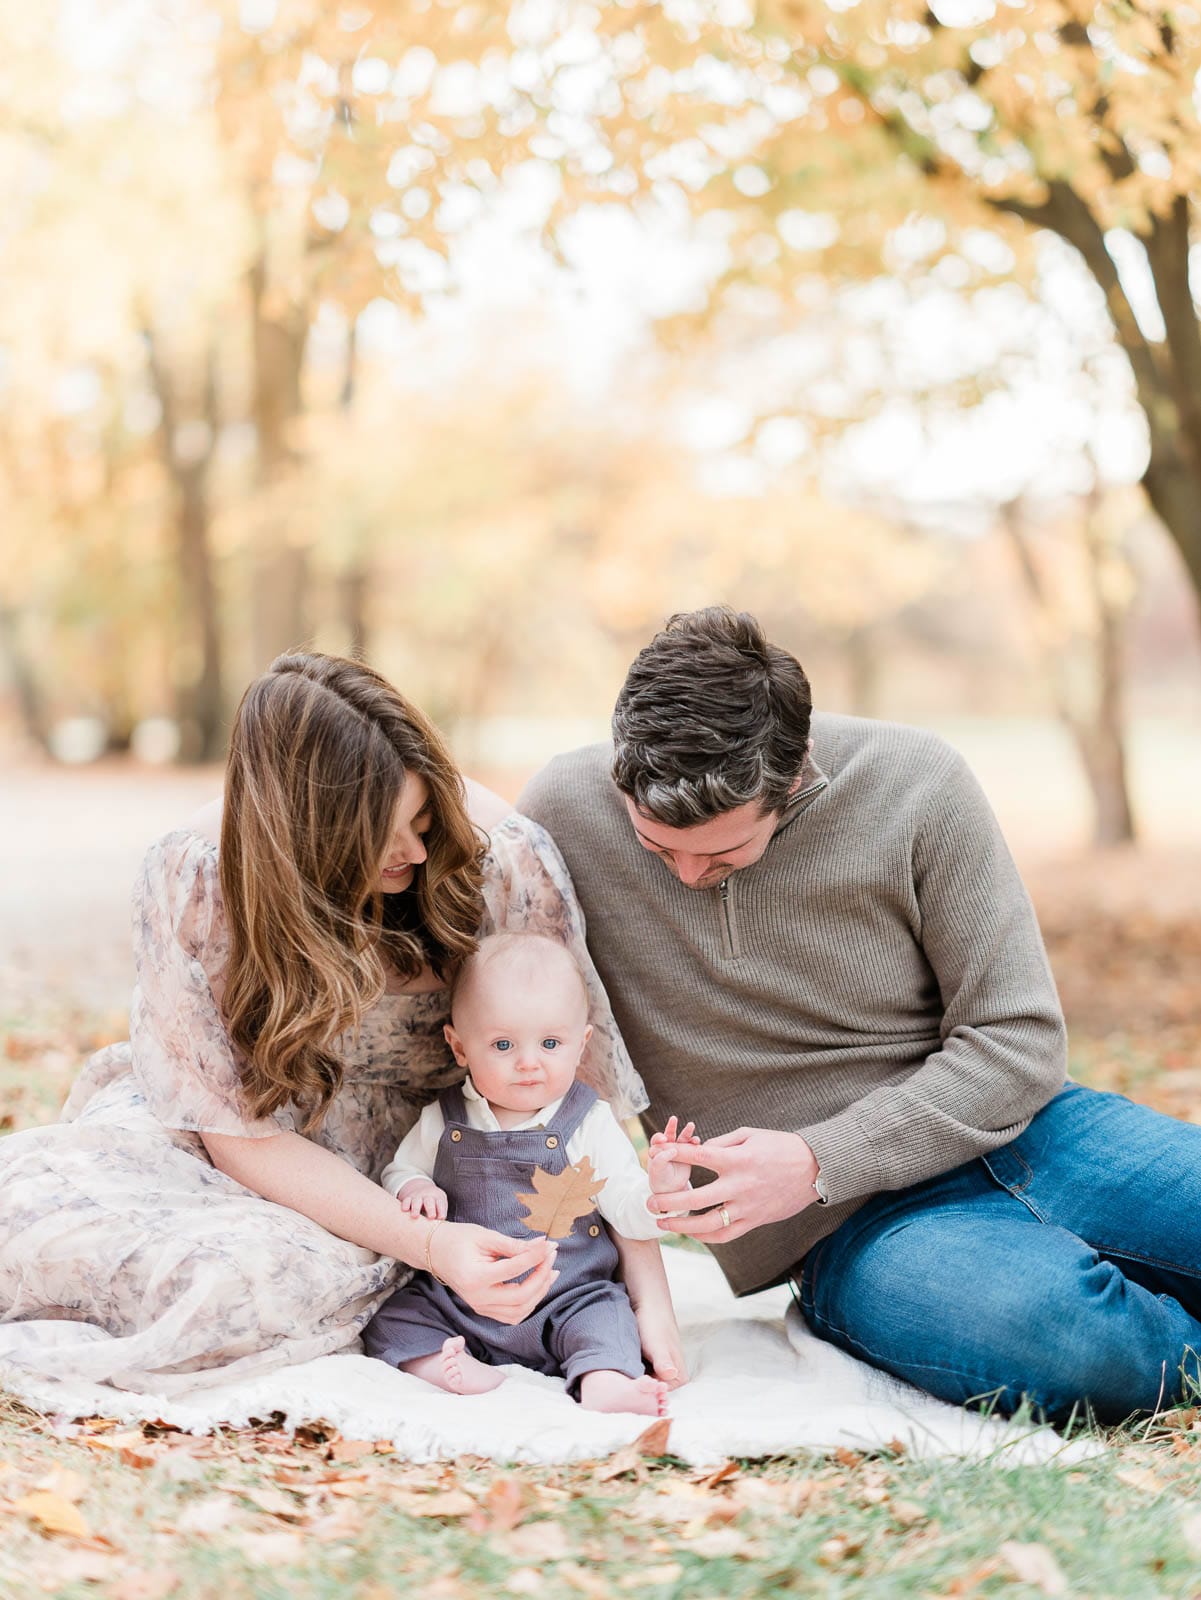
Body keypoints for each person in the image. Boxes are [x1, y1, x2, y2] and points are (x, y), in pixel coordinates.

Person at [518, 606, 1201, 1423]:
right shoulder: (563, 811)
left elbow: (1017, 1040)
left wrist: (816, 1156)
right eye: (659, 849)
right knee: (1078, 1344)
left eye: (723, 852)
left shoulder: (916, 781)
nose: (689, 873)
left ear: (795, 775)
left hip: (1036, 1135)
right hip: (849, 1232)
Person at [0, 653, 683, 1397]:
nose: (417, 853)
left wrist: (649, 1298)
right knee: (34, 1221)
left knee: (234, 1286)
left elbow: (576, 1107)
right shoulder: (194, 875)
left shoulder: (502, 860)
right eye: (382, 837)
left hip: (415, 1163)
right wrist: (428, 1245)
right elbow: (231, 1131)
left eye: (424, 820)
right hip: (237, 1143)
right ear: (300, 831)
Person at [364, 932, 691, 1416]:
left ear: (581, 1045)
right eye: (502, 1044)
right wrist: (414, 1185)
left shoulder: (590, 1122)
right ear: (458, 1046)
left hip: (569, 1297)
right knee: (390, 1318)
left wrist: (659, 1194)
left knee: (609, 1320)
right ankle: (440, 1362)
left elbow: (626, 1210)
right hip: (463, 1301)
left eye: (550, 1043)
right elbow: (400, 1168)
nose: (528, 1063)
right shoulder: (444, 1118)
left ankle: (604, 1381)